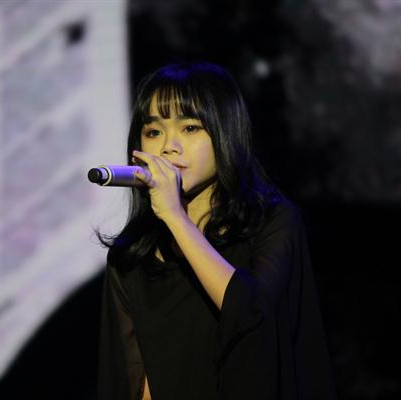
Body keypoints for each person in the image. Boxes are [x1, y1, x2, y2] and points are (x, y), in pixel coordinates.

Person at [96, 62, 336, 399]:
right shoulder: (131, 257)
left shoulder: (273, 224)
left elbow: (253, 315)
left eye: (190, 128)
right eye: (153, 132)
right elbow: (135, 381)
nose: (169, 146)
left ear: (225, 134)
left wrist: (176, 218)